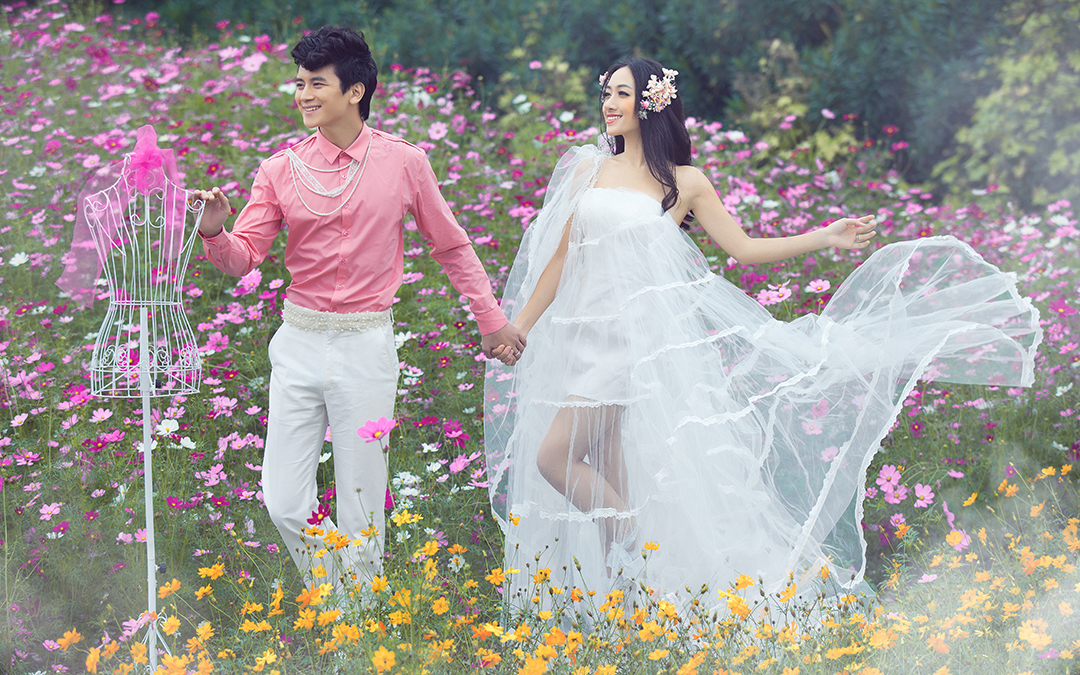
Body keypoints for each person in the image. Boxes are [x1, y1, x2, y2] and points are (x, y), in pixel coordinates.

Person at [483, 57, 1040, 611]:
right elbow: (562, 256)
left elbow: (744, 249)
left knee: (554, 459)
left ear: (651, 103)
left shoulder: (683, 182)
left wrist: (824, 236)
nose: (608, 103)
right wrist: (520, 327)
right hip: (581, 337)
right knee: (608, 471)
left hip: (632, 343)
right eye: (606, 92)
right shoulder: (588, 169)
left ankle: (644, 554)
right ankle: (632, 606)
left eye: (622, 93)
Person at [194, 25, 526, 593]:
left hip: (367, 345)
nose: (302, 95)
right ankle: (340, 598)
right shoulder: (278, 170)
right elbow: (244, 258)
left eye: (316, 84)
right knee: (283, 499)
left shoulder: (404, 162)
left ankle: (357, 621)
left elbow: (450, 246)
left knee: (362, 502)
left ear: (355, 91)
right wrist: (214, 231)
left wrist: (490, 319)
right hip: (297, 343)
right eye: (299, 83)